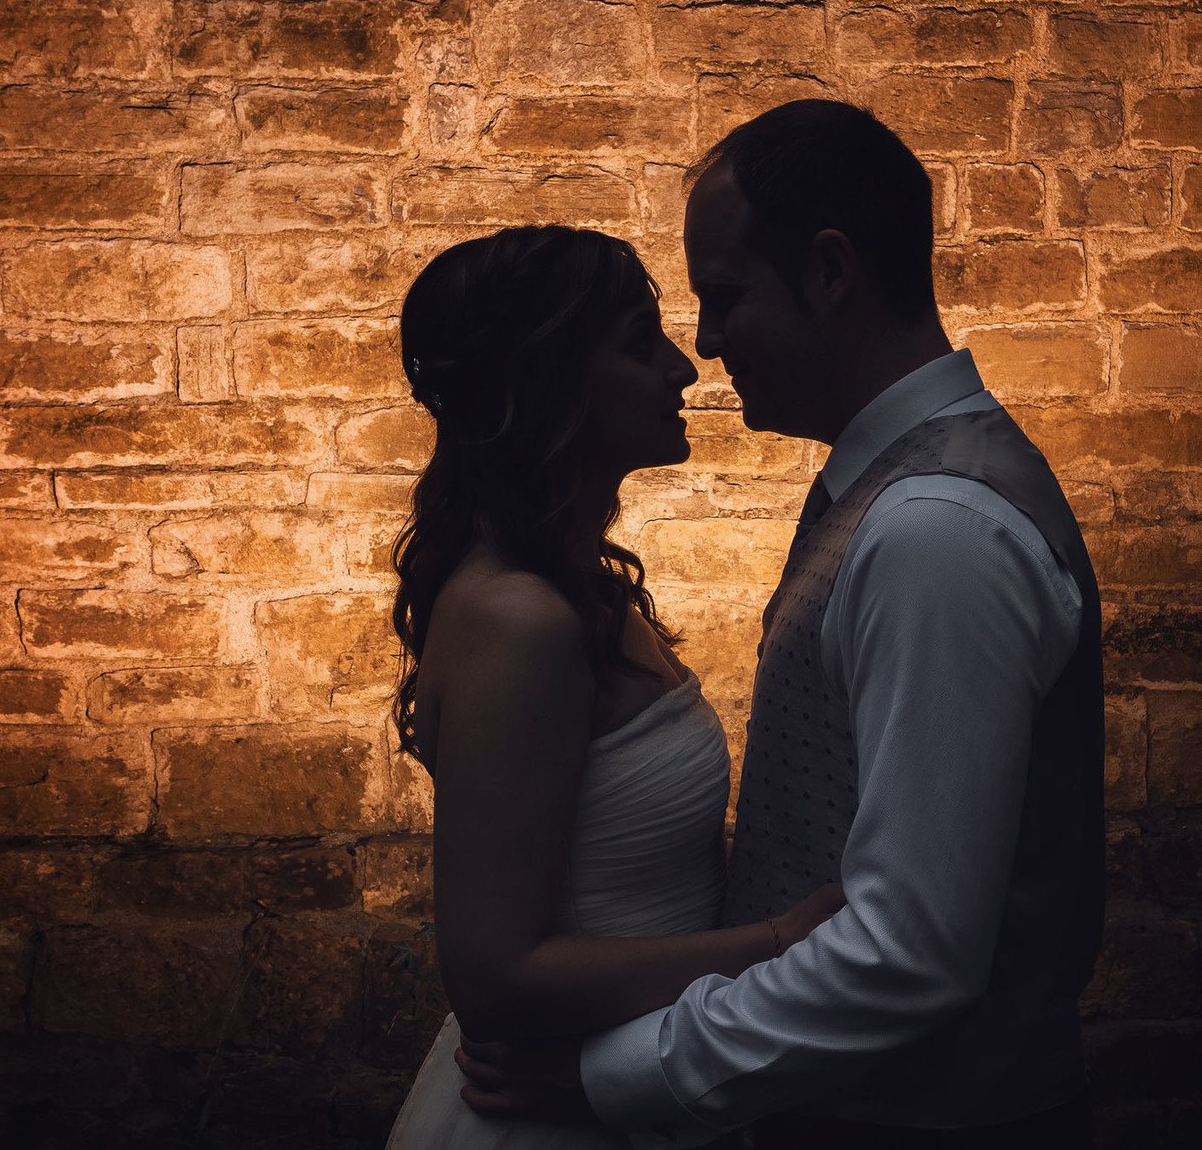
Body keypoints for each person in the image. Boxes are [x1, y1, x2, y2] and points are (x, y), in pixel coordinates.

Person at [459, 99, 1106, 1149]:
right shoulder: (891, 501)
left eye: (725, 299)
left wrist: (616, 1079)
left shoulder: (933, 530)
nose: (705, 346)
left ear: (830, 273)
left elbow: (909, 952)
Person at [381, 225, 846, 1150]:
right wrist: (786, 941)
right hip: (547, 1116)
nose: (684, 367)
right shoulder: (519, 618)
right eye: (641, 342)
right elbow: (492, 973)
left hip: (629, 1092)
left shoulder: (578, 588)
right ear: (550, 379)